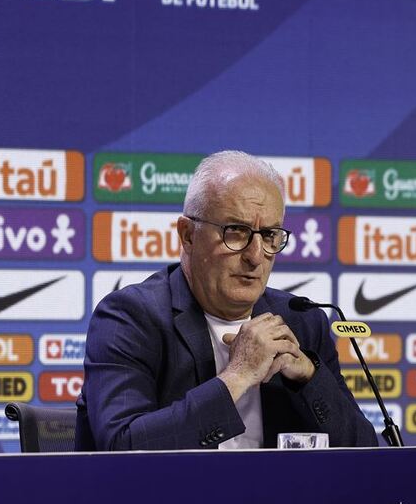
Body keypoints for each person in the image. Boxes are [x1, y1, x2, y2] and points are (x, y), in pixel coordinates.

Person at [75, 150, 378, 450]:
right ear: (188, 235)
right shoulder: (131, 318)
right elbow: (121, 448)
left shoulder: (301, 321)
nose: (256, 256)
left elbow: (365, 455)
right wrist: (238, 375)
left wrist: (310, 380)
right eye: (236, 231)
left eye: (270, 234)